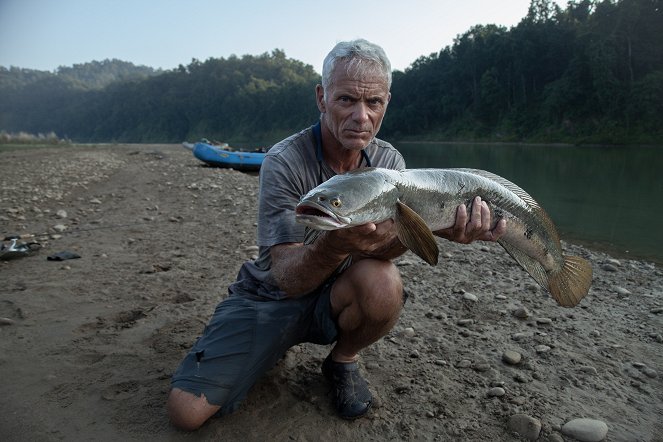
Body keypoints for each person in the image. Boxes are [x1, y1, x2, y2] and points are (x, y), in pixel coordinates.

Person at [167, 38, 506, 430]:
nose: (361, 117)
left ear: (386, 104)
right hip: (271, 295)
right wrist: (334, 244)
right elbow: (287, 279)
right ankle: (267, 343)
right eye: (346, 100)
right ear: (322, 98)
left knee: (383, 281)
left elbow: (385, 249)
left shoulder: (389, 162)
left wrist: (439, 229)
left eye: (373, 103)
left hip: (337, 292)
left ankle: (343, 360)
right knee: (186, 413)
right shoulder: (283, 161)